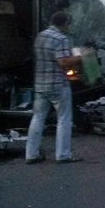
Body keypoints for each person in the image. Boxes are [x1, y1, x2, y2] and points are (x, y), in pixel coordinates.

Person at [25, 11, 83, 164]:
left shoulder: (40, 36)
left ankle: (31, 154)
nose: (69, 26)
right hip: (58, 85)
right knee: (64, 119)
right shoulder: (61, 38)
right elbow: (63, 62)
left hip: (40, 84)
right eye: (68, 23)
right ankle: (63, 155)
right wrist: (79, 57)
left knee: (37, 118)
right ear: (64, 23)